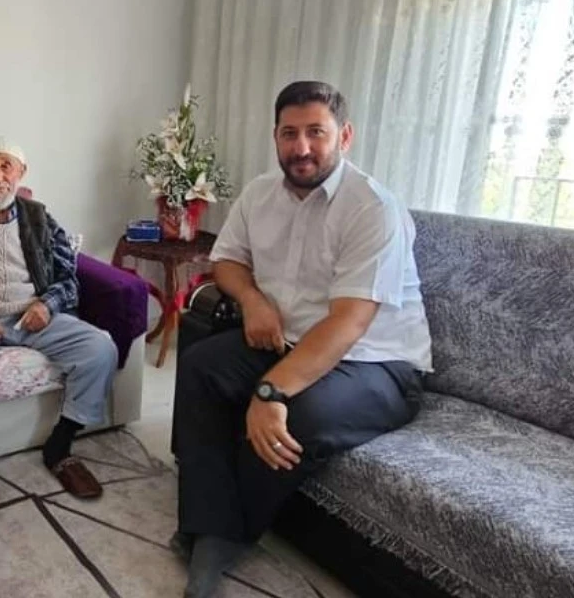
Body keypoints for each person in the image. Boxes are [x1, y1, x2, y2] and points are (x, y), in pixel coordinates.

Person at [172, 81, 432, 597]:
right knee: (200, 364)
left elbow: (349, 323)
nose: (302, 147)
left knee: (299, 412)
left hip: (377, 363)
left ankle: (225, 535)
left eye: (317, 132)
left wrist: (271, 391)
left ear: (345, 136)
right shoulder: (260, 193)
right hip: (290, 342)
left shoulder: (372, 208)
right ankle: (208, 524)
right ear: (275, 137)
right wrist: (252, 300)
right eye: (290, 133)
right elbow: (227, 261)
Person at [0, 136, 119, 529]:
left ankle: (60, 446)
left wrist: (46, 306)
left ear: (21, 173)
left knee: (100, 347)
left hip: (33, 318)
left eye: (6, 166)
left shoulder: (41, 218)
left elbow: (69, 278)